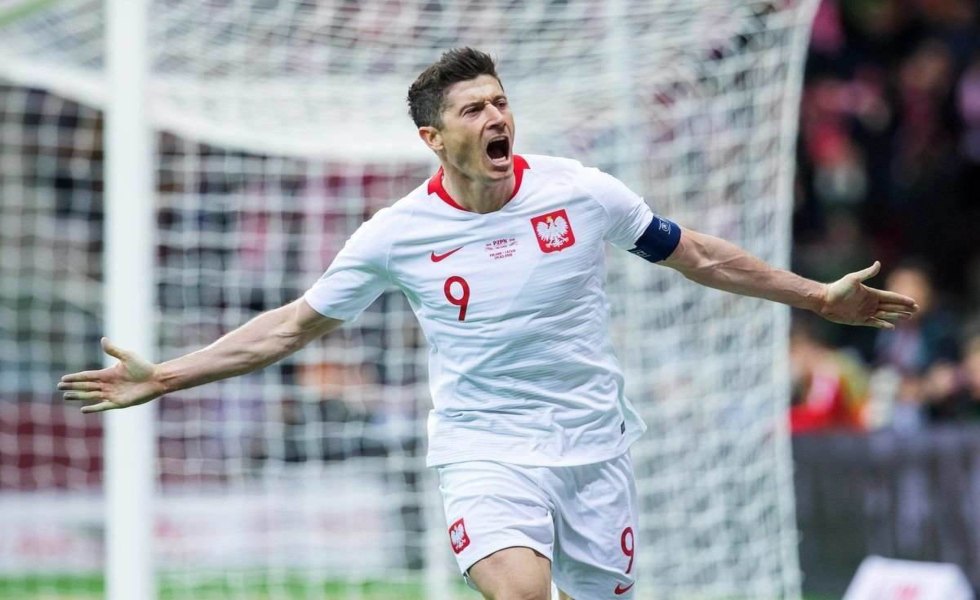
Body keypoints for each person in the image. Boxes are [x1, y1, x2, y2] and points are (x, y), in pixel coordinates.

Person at [59, 48, 918, 600]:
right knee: (520, 592)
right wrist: (167, 375)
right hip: (485, 448)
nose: (496, 118)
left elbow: (696, 254)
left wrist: (816, 297)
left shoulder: (581, 192)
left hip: (593, 446)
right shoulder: (396, 234)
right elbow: (292, 327)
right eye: (472, 110)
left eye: (499, 102)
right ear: (433, 138)